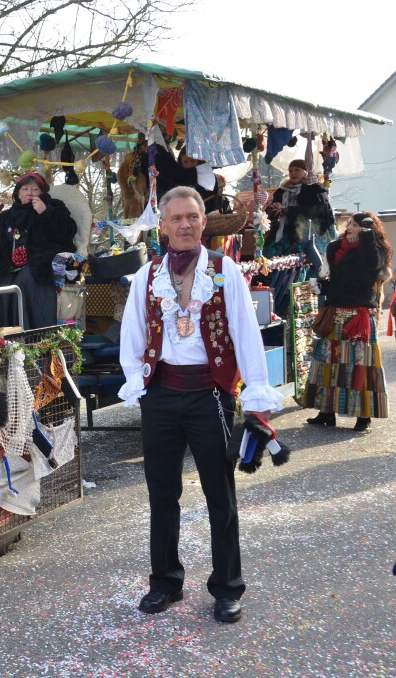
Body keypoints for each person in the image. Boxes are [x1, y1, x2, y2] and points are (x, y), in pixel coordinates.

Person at [118, 186, 283, 624]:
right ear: (164, 226)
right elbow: (132, 337)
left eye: (192, 216)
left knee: (219, 494)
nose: (185, 224)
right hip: (161, 395)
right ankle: (165, 583)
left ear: (203, 222)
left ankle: (228, 588)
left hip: (211, 394)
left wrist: (256, 396)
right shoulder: (146, 276)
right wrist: (138, 383)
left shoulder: (224, 269)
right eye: (176, 218)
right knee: (162, 493)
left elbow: (247, 334)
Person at [303, 211, 391, 432]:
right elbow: (335, 279)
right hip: (336, 310)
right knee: (327, 363)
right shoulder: (335, 247)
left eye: (357, 225)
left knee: (359, 365)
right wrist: (322, 287)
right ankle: (326, 412)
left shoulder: (376, 249)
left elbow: (372, 265)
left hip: (360, 313)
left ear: (368, 229)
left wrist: (368, 235)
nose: (351, 227)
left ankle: (363, 417)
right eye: (351, 223)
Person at [0, 172, 77, 329]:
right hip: (9, 266)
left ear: (42, 192)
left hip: (41, 264)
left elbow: (66, 233)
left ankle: (34, 337)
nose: (30, 193)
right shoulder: (7, 217)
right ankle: (6, 339)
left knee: (25, 280)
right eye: (25, 189)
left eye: (35, 189)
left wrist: (45, 213)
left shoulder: (55, 207)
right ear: (18, 193)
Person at [265, 159, 336, 273]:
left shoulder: (313, 189)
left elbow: (316, 211)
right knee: (272, 256)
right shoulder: (281, 191)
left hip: (309, 233)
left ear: (305, 172)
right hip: (285, 231)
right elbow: (270, 213)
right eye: (290, 171)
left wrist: (288, 211)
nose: (293, 173)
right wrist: (274, 209)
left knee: (305, 261)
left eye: (297, 170)